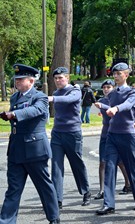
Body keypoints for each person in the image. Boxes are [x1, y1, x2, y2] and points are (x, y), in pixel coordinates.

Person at [0, 64, 60, 224]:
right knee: (13, 189)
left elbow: (35, 111)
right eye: (16, 79)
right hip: (16, 150)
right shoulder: (15, 97)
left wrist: (14, 114)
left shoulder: (39, 97)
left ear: (31, 81)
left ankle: (53, 218)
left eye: (21, 79)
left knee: (44, 187)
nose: (17, 82)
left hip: (34, 150)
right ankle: (6, 221)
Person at [96, 63, 135, 215]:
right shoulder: (112, 93)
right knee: (109, 166)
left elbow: (128, 104)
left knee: (132, 167)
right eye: (114, 74)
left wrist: (115, 109)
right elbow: (108, 106)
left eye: (119, 74)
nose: (115, 76)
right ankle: (108, 204)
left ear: (126, 75)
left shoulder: (132, 92)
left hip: (127, 134)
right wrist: (103, 108)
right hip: (112, 134)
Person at [48, 67, 91, 209]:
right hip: (57, 133)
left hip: (72, 133)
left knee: (76, 163)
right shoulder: (55, 92)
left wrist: (53, 98)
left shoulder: (75, 91)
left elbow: (69, 99)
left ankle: (86, 192)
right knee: (56, 166)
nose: (58, 80)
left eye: (61, 77)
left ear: (67, 78)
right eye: (56, 78)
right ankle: (57, 199)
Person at [93, 79, 115, 200]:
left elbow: (115, 110)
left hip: (117, 131)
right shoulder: (101, 100)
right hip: (105, 132)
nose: (106, 89)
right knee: (102, 162)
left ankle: (128, 184)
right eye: (104, 87)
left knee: (121, 163)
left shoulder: (116, 98)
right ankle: (102, 190)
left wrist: (103, 107)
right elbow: (98, 112)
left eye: (108, 87)